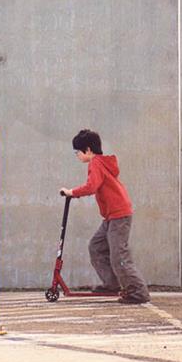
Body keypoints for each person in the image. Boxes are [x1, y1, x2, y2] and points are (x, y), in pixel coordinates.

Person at [59, 129, 150, 304]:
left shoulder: (96, 163)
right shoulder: (100, 163)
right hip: (111, 217)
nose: (76, 155)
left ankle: (138, 292)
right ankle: (112, 283)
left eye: (77, 152)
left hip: (119, 215)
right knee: (96, 247)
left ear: (87, 150)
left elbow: (92, 186)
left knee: (119, 256)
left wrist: (71, 192)